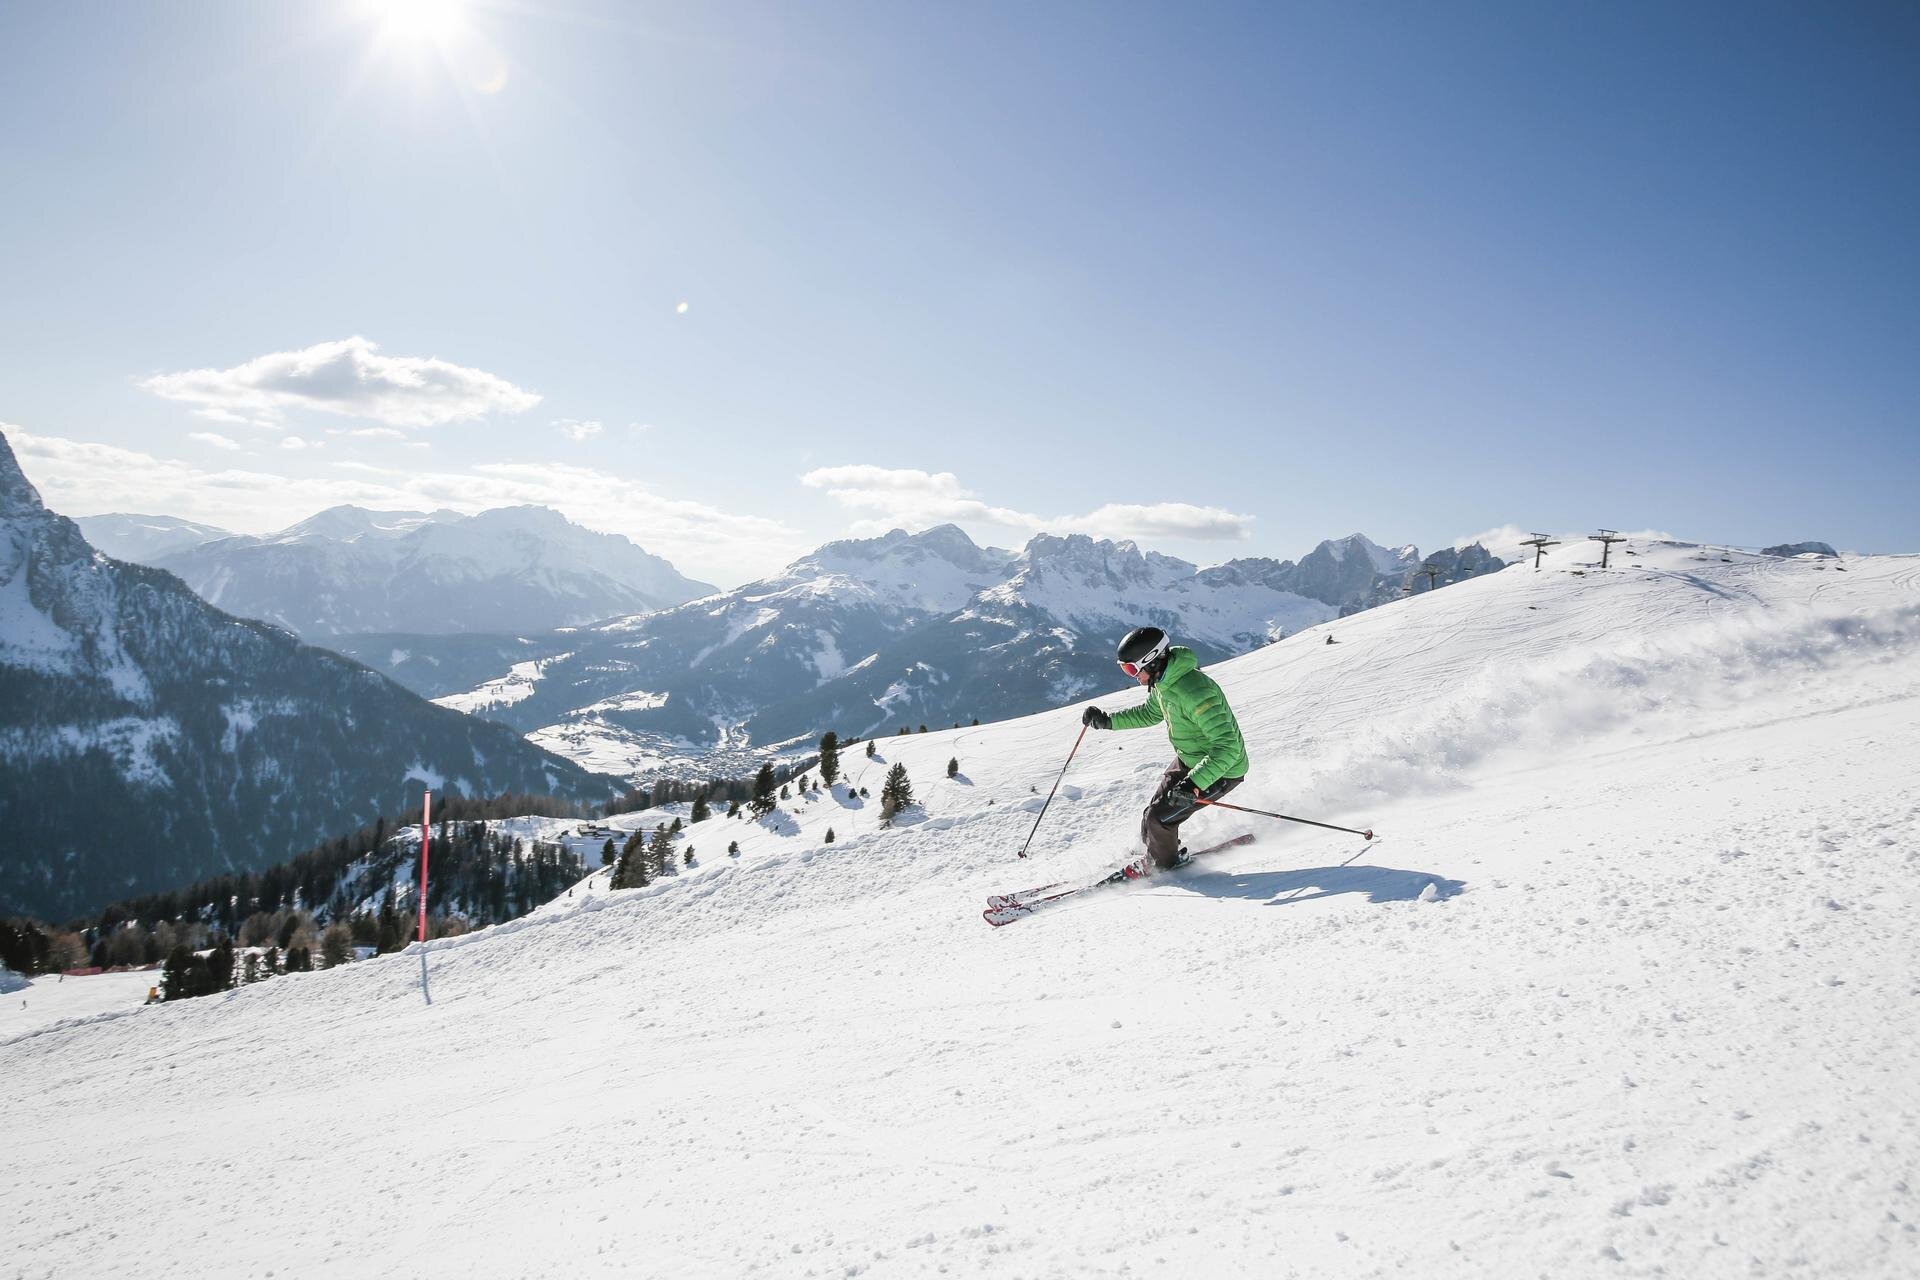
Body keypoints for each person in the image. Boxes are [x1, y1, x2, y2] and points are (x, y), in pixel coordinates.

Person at [1081, 626, 1249, 869]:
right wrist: (1107, 721)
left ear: (1151, 661)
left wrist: (1193, 785)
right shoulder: (1164, 683)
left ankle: (1164, 867)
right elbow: (1150, 713)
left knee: (1158, 818)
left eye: (1131, 669)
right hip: (1190, 758)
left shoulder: (1196, 692)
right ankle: (1155, 852)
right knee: (1151, 814)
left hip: (1222, 769)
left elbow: (1228, 747)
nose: (1132, 676)